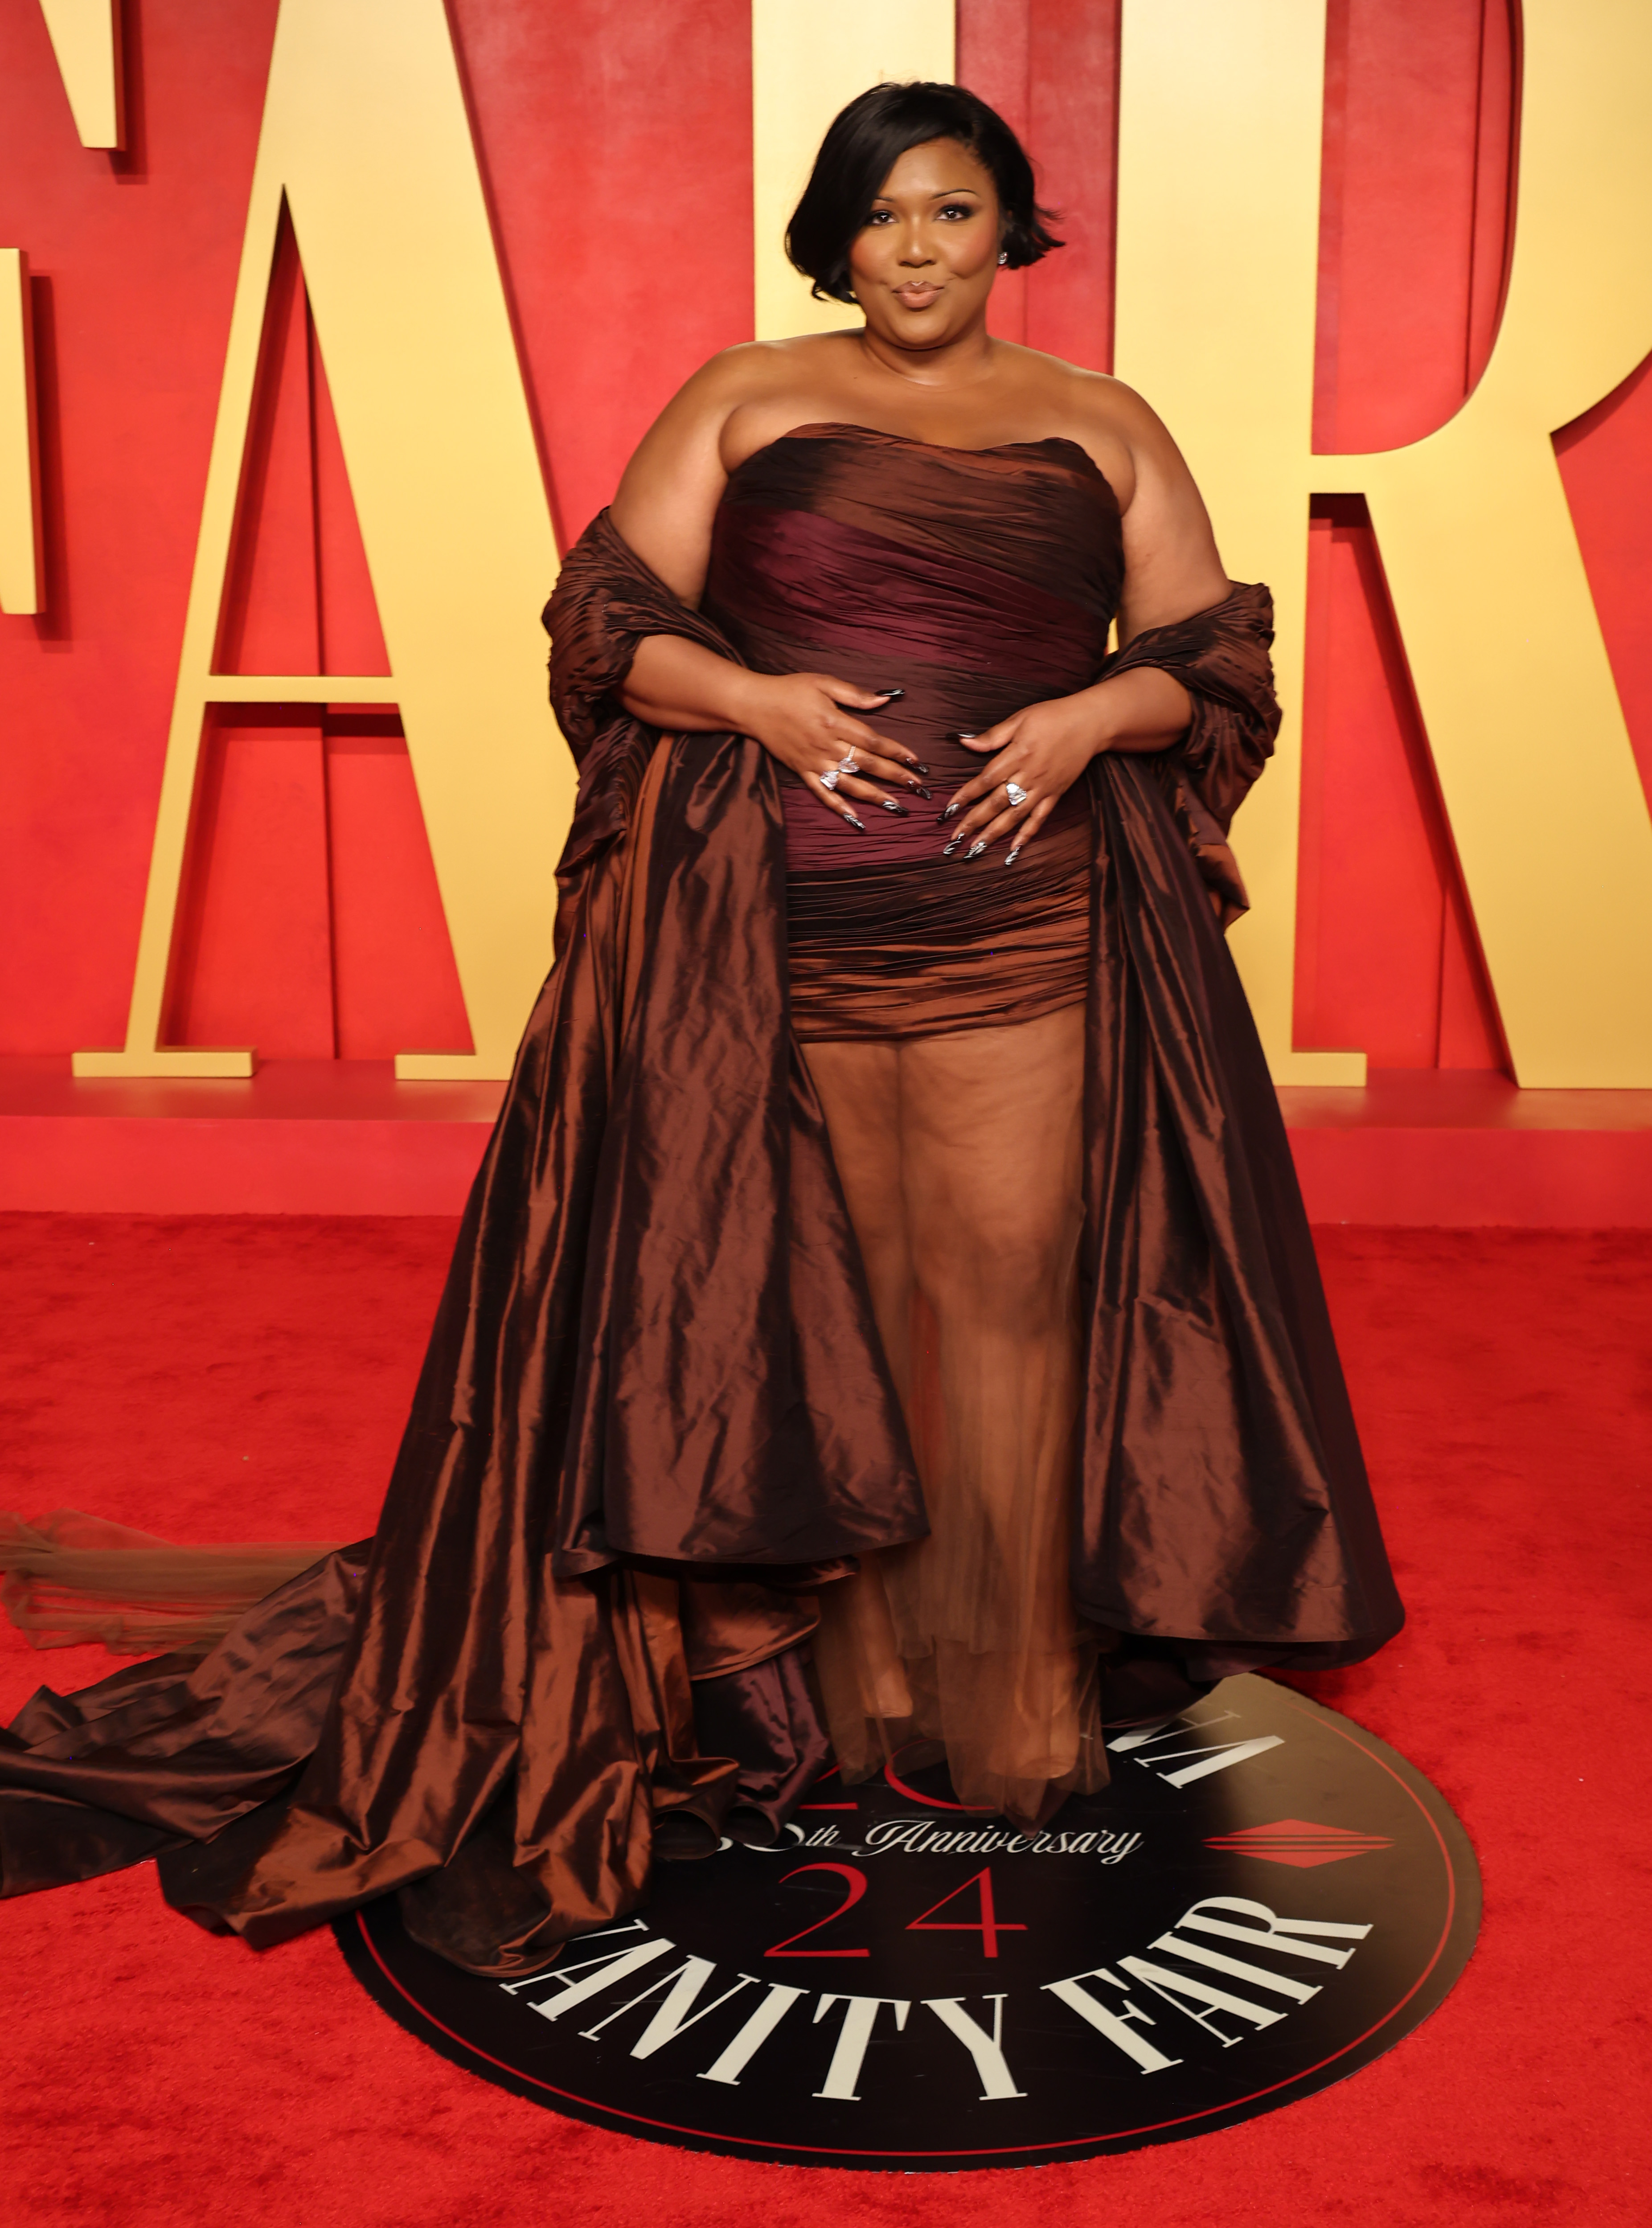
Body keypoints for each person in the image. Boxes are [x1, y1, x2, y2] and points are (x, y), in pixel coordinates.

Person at [0, 83, 1401, 1978]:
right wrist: (747, 694)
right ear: (839, 234)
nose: (921, 248)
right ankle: (861, 1666)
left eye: (958, 212)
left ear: (1013, 234)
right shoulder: (741, 392)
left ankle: (995, 1685)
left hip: (1025, 927)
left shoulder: (1104, 422)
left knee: (1004, 1281)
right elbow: (601, 624)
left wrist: (1087, 720)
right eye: (887, 215)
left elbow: (1212, 661)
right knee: (838, 1280)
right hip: (776, 934)